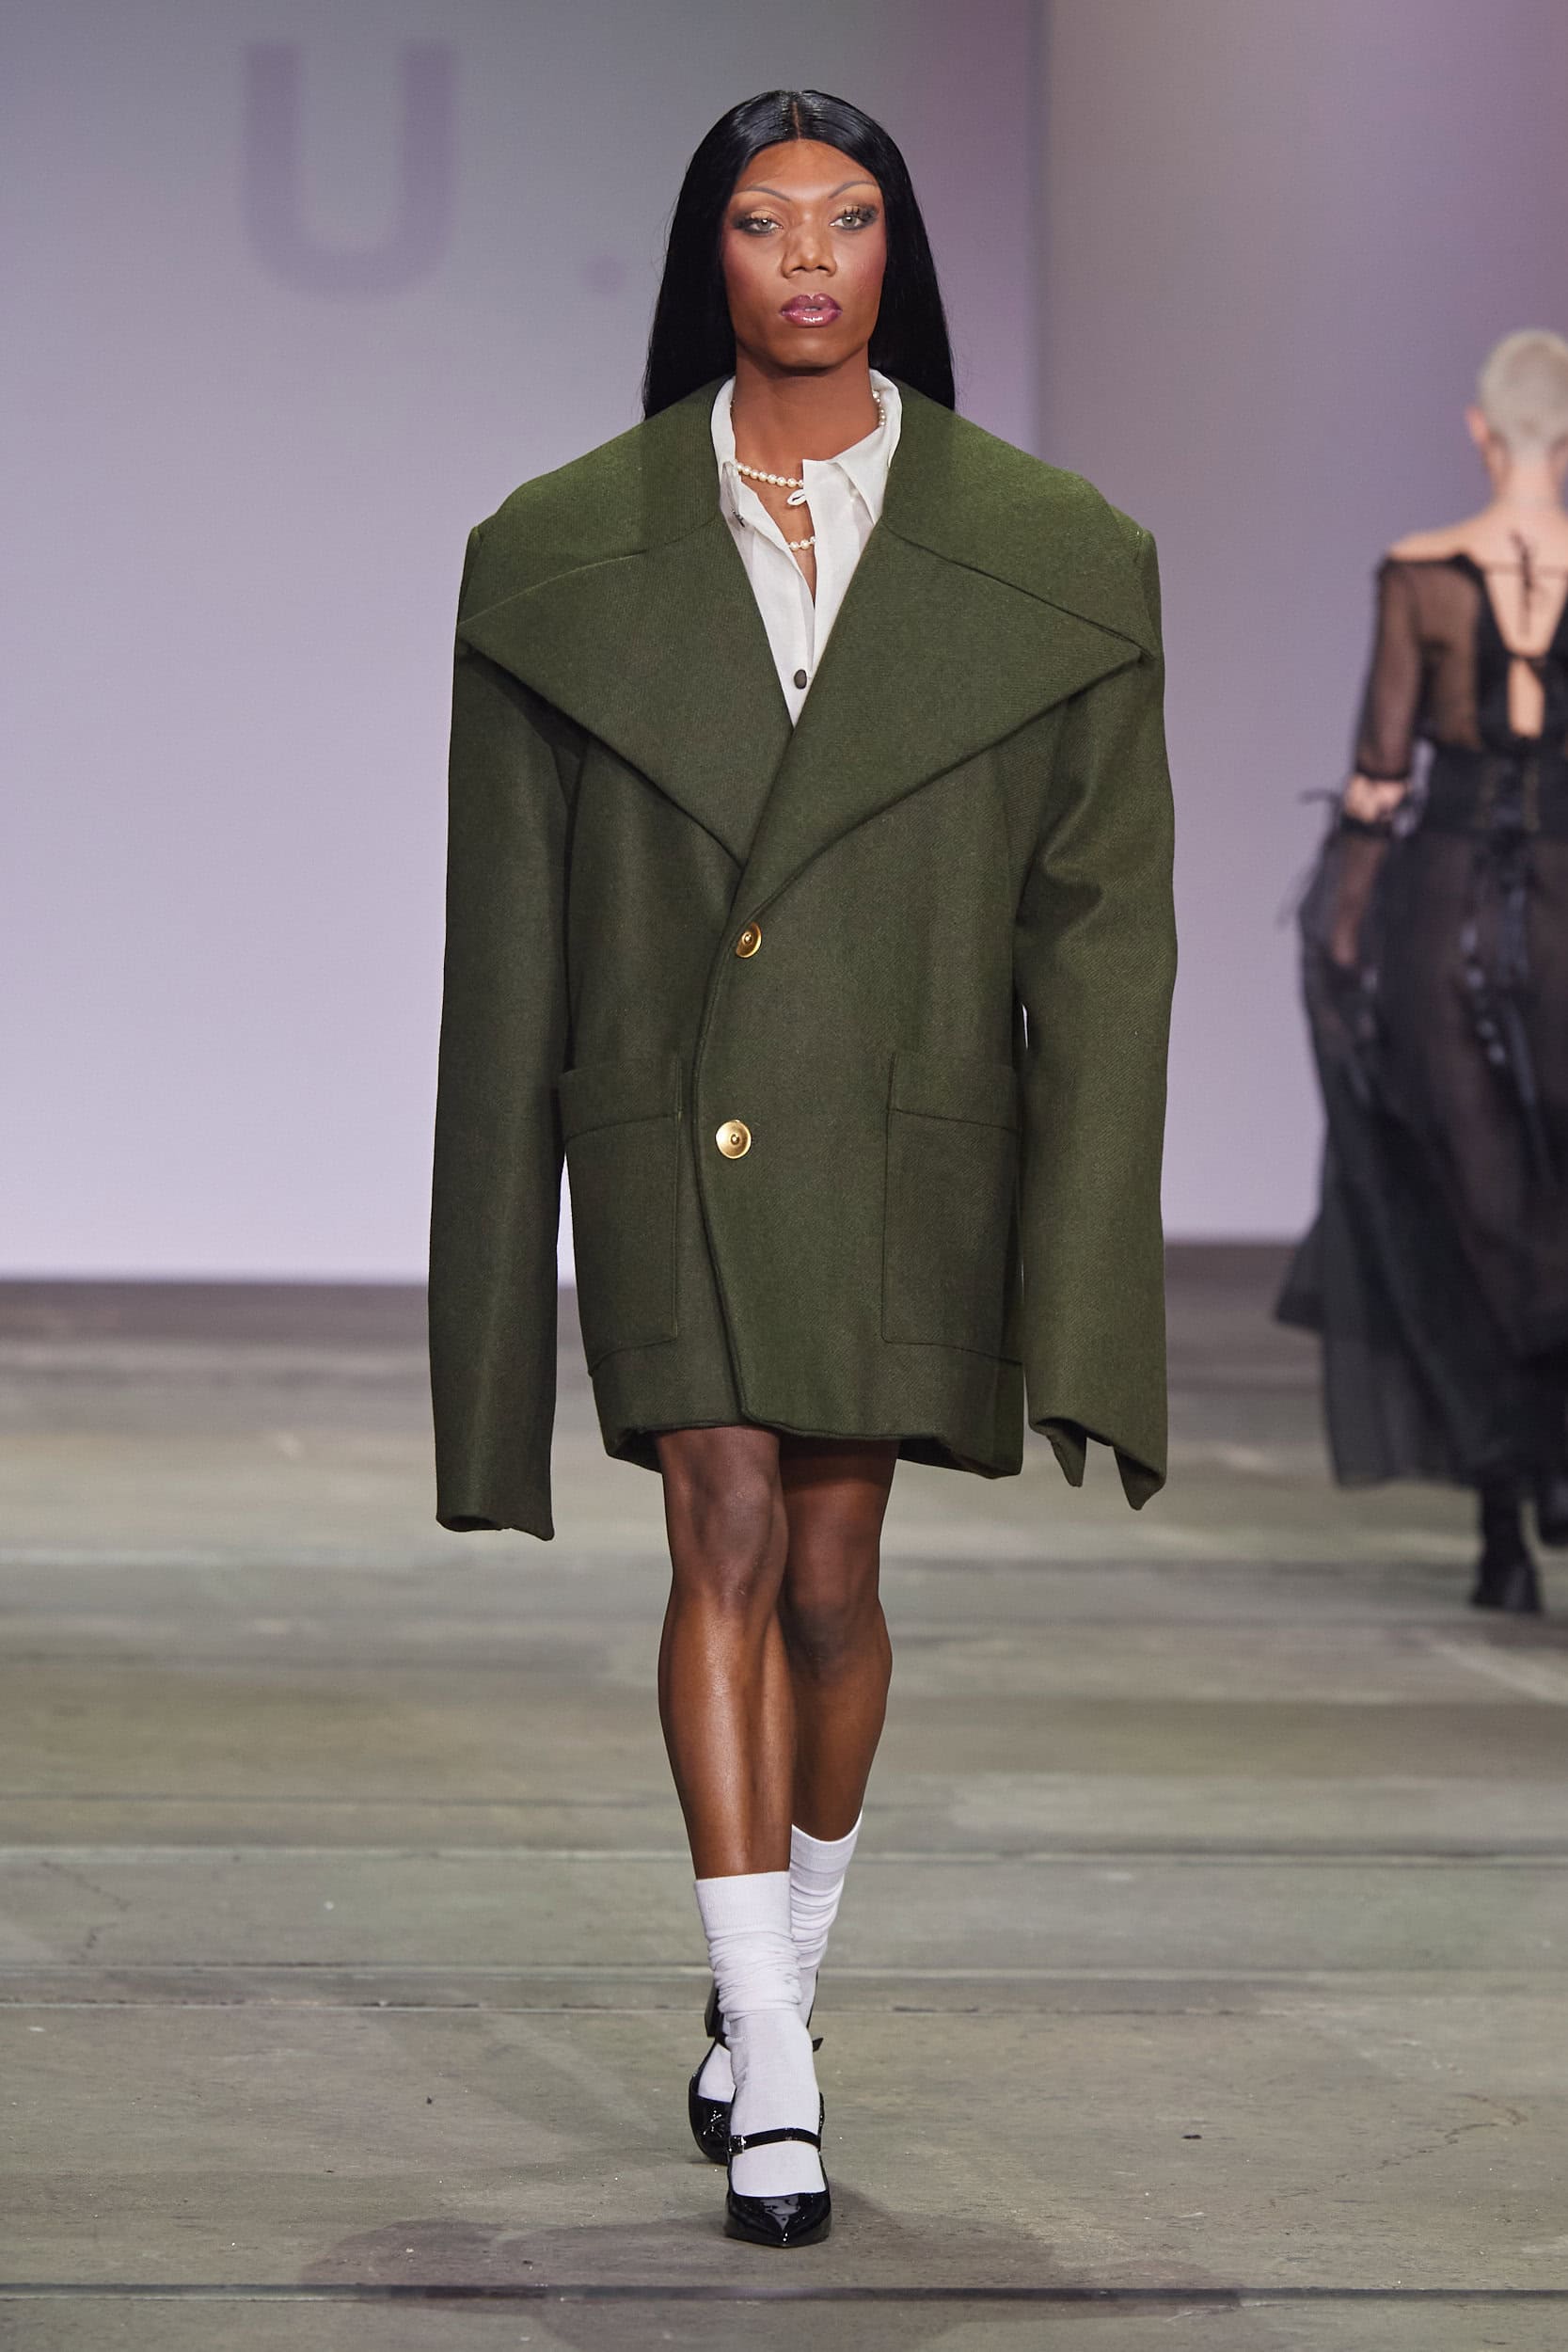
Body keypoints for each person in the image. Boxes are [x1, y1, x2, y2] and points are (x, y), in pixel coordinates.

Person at [429, 88, 1175, 2247]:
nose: (810, 258)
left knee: (836, 1589)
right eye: (765, 222)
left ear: (893, 254)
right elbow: (504, 941)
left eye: (848, 219)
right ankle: (772, 2054)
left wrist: (1082, 1262)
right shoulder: (557, 555)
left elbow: (1102, 934)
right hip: (668, 1113)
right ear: (715, 259)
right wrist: (495, 1286)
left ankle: (780, 1979)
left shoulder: (1052, 556)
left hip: (899, 1130)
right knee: (726, 1534)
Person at [1280, 329, 1568, 1615]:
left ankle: (1505, 1527)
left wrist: (1342, 933)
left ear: (1480, 431)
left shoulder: (1420, 575)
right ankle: (1549, 1468)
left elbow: (1382, 769)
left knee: (1473, 1194)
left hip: (1444, 906)